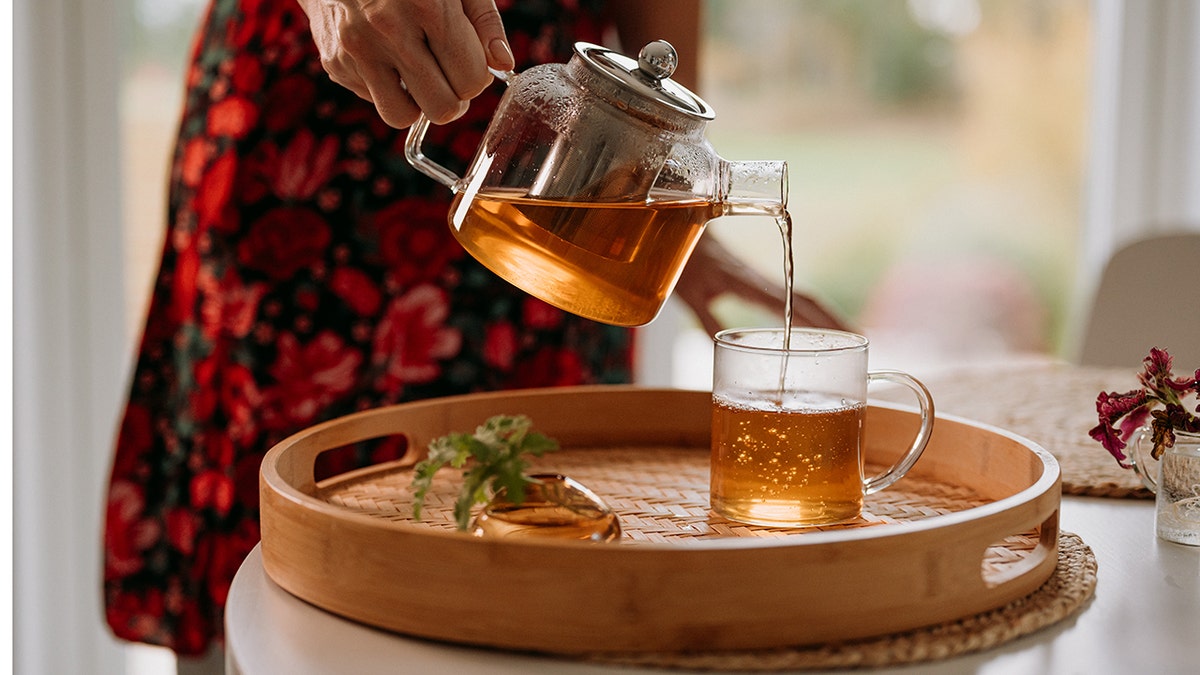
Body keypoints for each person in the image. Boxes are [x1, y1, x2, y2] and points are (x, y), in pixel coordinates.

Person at [103, 0, 846, 664]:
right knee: (272, 541)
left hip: (571, 164)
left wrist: (660, 172)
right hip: (309, 121)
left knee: (541, 550)